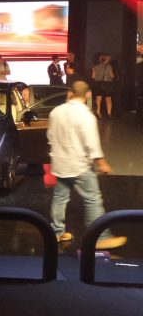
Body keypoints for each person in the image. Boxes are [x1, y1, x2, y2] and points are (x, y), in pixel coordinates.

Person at [47, 81, 126, 249]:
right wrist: (102, 163)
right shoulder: (86, 116)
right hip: (80, 165)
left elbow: (50, 137)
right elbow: (92, 144)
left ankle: (57, 233)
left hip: (60, 164)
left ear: (70, 93)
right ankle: (100, 237)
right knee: (92, 199)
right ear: (88, 95)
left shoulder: (56, 112)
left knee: (60, 198)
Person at [91, 53, 115, 118]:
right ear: (107, 60)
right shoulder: (109, 67)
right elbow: (112, 76)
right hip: (107, 84)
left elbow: (93, 77)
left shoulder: (95, 67)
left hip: (98, 84)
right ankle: (109, 113)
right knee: (108, 99)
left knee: (98, 99)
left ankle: (98, 112)